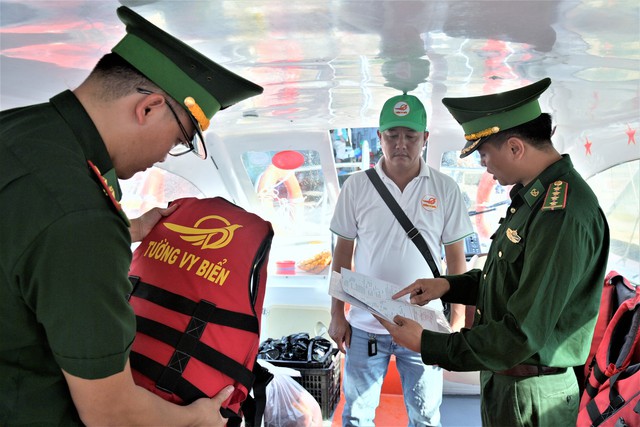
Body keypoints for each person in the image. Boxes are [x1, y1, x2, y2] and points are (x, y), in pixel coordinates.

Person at [0, 6, 263, 426]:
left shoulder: (18, 129)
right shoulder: (82, 217)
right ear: (149, 109)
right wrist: (197, 419)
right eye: (177, 140)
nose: (163, 157)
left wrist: (129, 229)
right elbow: (111, 412)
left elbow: (23, 233)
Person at [377, 78, 610, 426]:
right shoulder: (533, 199)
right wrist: (449, 285)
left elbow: (522, 333)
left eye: (485, 154)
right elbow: (508, 278)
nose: (484, 166)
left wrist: (429, 343)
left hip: (532, 392)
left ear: (515, 147)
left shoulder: (560, 214)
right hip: (510, 382)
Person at [329, 93, 474, 426]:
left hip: (424, 326)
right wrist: (337, 314)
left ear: (425, 138)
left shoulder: (445, 188)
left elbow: (456, 261)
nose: (401, 144)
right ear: (379, 137)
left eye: (410, 136)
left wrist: (456, 324)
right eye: (392, 135)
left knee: (425, 415)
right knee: (357, 415)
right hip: (366, 324)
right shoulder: (356, 186)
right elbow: (342, 253)